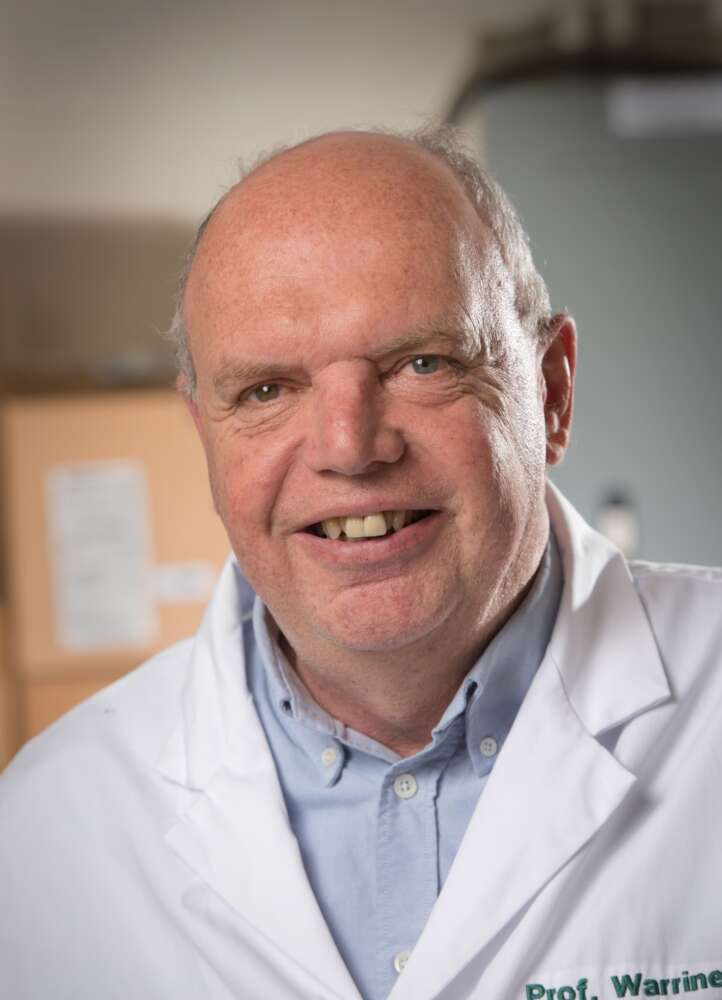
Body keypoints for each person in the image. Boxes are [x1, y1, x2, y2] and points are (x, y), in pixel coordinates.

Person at [1, 124, 721, 1000]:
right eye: (266, 389)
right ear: (205, 438)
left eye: (423, 363)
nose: (349, 448)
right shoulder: (47, 825)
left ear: (553, 393)